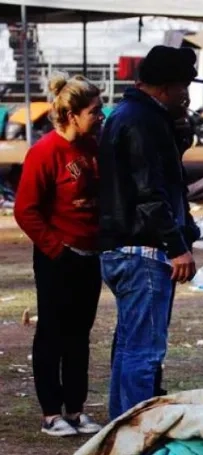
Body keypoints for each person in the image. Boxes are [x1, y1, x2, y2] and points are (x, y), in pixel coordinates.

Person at [98, 45, 201, 420]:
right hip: (144, 250)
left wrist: (179, 131)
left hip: (122, 247)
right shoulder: (143, 121)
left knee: (128, 347)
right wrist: (176, 245)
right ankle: (135, 441)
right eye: (184, 86)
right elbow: (149, 189)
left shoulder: (130, 115)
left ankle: (120, 432)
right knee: (143, 352)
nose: (187, 95)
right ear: (167, 87)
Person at [14, 72, 104, 436]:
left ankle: (76, 409)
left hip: (89, 254)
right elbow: (25, 209)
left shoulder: (92, 148)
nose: (100, 116)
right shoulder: (45, 152)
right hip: (58, 257)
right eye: (94, 111)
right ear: (72, 114)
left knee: (80, 335)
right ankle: (51, 412)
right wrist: (56, 248)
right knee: (52, 333)